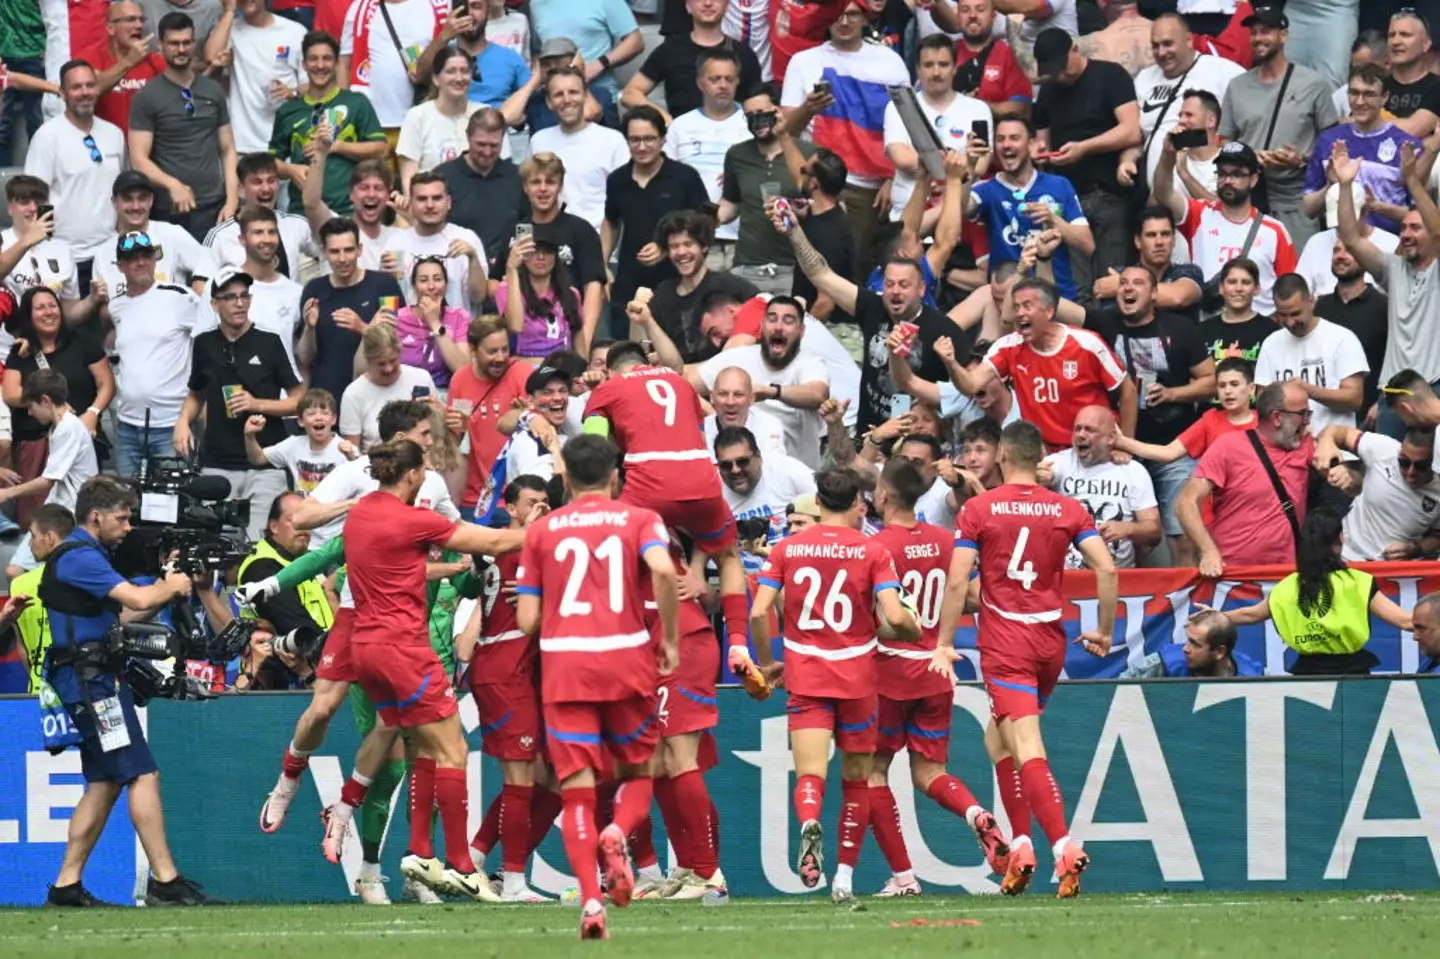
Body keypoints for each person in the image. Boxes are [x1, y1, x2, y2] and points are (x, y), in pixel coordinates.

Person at [931, 420, 1115, 898]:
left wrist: (945, 640)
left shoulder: (979, 509)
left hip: (1007, 644)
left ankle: (1062, 845)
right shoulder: (1067, 508)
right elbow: (1107, 567)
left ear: (1003, 456)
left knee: (1027, 747)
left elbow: (956, 582)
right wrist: (1104, 629)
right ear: (1039, 459)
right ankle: (1021, 845)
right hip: (1050, 643)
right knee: (1000, 743)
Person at [256, 400, 457, 835]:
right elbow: (305, 516)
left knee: (394, 723)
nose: (431, 442)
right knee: (324, 707)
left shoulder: (433, 481)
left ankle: (345, 810)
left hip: (407, 623)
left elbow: (457, 531)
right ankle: (287, 780)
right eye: (424, 435)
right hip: (356, 610)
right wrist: (361, 507)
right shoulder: (357, 473)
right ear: (401, 439)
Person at [514, 433, 680, 939]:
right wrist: (668, 638)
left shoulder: (542, 531)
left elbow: (526, 620)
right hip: (627, 658)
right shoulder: (639, 519)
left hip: (566, 669)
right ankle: (618, 832)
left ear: (565, 478)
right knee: (638, 770)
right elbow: (663, 569)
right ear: (615, 477)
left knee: (576, 792)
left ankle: (590, 902)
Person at [344, 437, 526, 899]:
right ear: (412, 475)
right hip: (404, 650)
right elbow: (497, 540)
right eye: (423, 469)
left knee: (424, 748)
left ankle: (421, 850)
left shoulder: (360, 512)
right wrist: (561, 527)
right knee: (454, 751)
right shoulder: (415, 520)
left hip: (364, 650)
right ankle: (462, 864)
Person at [38, 475, 210, 906]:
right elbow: (135, 599)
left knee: (103, 784)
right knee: (142, 772)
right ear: (96, 517)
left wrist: (167, 589)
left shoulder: (87, 556)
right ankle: (165, 881)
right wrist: (171, 585)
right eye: (122, 517)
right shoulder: (81, 557)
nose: (128, 526)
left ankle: (66, 886)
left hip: (90, 679)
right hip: (93, 685)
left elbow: (127, 616)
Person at [745, 467, 915, 902]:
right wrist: (914, 633)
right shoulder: (873, 550)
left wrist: (767, 662)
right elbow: (895, 617)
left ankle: (808, 824)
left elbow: (759, 612)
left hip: (807, 674)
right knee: (858, 781)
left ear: (818, 504)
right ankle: (842, 876)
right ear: (858, 507)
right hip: (858, 677)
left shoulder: (787, 549)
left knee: (810, 775)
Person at [865, 459, 1008, 897]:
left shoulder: (876, 546)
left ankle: (905, 878)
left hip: (888, 671)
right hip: (935, 668)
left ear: (884, 495)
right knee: (930, 772)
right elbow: (973, 597)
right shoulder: (946, 540)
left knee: (872, 774)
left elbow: (869, 614)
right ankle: (975, 813)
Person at [584, 339, 751, 663]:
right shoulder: (682, 385)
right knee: (729, 556)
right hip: (701, 480)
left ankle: (604, 640)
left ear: (609, 369)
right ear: (645, 361)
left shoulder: (608, 389)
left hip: (648, 484)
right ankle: (739, 646)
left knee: (606, 550)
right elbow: (696, 438)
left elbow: (591, 448)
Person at [454, 475, 554, 903]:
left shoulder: (519, 547)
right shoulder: (516, 545)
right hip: (505, 667)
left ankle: (475, 858)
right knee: (521, 778)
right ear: (511, 508)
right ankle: (511, 880)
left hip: (524, 669)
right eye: (532, 504)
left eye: (546, 503)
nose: (541, 511)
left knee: (553, 779)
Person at [780, 2, 909, 280]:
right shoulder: (803, 61)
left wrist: (892, 177)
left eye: (852, 14)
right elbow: (786, 131)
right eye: (837, 14)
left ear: (865, 18)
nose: (844, 21)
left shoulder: (890, 61)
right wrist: (808, 109)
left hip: (870, 188)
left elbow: (905, 126)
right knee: (814, 265)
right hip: (819, 182)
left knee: (856, 269)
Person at [176, 268, 303, 542]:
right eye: (231, 297)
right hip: (218, 463)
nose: (239, 303)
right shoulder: (204, 343)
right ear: (214, 304)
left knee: (257, 545)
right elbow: (196, 393)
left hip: (265, 462)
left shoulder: (269, 341)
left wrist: (257, 403)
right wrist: (183, 422)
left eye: (244, 296)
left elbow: (299, 402)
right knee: (217, 547)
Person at [945, 278, 1133, 452]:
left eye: (1027, 306)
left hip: (1094, 449)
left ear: (1049, 311)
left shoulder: (1086, 343)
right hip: (1047, 455)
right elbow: (971, 385)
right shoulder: (1008, 346)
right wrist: (951, 362)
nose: (1019, 313)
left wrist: (1125, 446)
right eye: (1016, 307)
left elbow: (1128, 391)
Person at [1217, 507, 1412, 675]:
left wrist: (1214, 616)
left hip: (1307, 675)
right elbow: (1405, 621)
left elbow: (1250, 615)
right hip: (1354, 674)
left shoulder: (1286, 587)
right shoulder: (1357, 582)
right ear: (1339, 539)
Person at [1335, 140, 1440, 438]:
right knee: (1389, 473)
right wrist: (1345, 186)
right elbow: (1351, 239)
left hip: (1434, 384)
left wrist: (1411, 181)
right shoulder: (1394, 268)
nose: (1405, 234)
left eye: (1414, 228)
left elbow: (1438, 231)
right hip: (1392, 389)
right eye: (1403, 228)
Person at [1031, 28, 1142, 304]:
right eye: (1052, 71)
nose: (1059, 75)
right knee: (1076, 290)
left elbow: (1131, 131)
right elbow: (1041, 142)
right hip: (1069, 199)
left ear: (1075, 50)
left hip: (1108, 192)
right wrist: (1042, 152)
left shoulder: (1110, 75)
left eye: (1062, 67)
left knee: (1111, 281)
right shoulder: (1048, 90)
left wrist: (1084, 148)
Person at [1218, 6, 1339, 249]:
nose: (1258, 38)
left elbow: (1333, 144)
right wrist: (1248, 157)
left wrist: (1301, 159)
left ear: (1283, 35)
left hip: (1296, 201)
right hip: (1249, 200)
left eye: (1266, 31)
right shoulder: (1237, 86)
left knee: (1298, 275)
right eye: (1254, 32)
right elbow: (1223, 142)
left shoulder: (1313, 84)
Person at [1177, 381, 1317, 575]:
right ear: (1277, 418)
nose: (1307, 421)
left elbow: (1340, 445)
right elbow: (1186, 502)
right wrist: (1208, 551)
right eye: (1302, 414)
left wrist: (1330, 440)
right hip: (1234, 577)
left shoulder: (1305, 446)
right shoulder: (1228, 447)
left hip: (1287, 578)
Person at [101, 231, 210, 479]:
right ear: (120, 266)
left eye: (146, 256)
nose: (141, 262)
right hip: (127, 425)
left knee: (171, 505)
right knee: (128, 504)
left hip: (171, 425)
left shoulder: (180, 297)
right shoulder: (116, 306)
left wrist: (201, 401)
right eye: (132, 258)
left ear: (155, 259)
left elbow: (210, 341)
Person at [129, 12, 240, 239]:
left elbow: (228, 149)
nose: (181, 49)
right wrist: (172, 185)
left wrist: (232, 199)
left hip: (214, 206)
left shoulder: (212, 90)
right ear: (160, 46)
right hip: (170, 210)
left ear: (194, 43)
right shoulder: (147, 96)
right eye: (173, 43)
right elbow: (138, 159)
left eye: (186, 42)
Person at [2, 288, 112, 517]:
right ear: (28, 315)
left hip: (78, 430)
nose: (48, 312)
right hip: (33, 441)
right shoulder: (22, 350)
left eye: (52, 305)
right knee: (33, 517)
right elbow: (10, 393)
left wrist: (91, 413)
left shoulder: (81, 341)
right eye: (40, 307)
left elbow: (108, 384)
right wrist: (49, 402)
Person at [1155, 139, 1297, 315]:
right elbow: (1163, 193)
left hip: (1259, 331)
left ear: (1253, 179)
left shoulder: (1275, 231)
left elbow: (1288, 288)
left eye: (1237, 174)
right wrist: (1167, 155)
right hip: (1209, 329)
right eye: (1222, 174)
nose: (1228, 180)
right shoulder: (1199, 214)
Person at [603, 105, 712, 326]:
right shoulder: (617, 180)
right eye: (634, 140)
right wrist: (602, 264)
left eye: (649, 139)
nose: (642, 146)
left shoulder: (685, 177)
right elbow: (611, 222)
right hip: (628, 283)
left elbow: (706, 224)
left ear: (663, 139)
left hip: (678, 283)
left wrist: (666, 247)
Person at [968, 116, 1094, 303]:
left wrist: (1053, 220)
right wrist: (969, 170)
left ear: (1031, 143)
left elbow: (1087, 245)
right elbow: (960, 210)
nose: (1006, 145)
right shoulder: (986, 190)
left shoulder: (1059, 185)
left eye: (1014, 138)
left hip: (1060, 298)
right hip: (1010, 302)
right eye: (1000, 139)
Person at [692, 296, 830, 467]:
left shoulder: (809, 362)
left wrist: (772, 392)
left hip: (796, 478)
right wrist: (711, 410)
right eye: (772, 319)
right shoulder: (738, 356)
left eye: (788, 321)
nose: (778, 327)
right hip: (738, 473)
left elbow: (818, 394)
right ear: (762, 326)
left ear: (801, 331)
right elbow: (684, 386)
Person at [24, 59, 127, 285]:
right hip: (65, 256)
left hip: (110, 253)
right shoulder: (46, 137)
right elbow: (33, 200)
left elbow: (122, 195)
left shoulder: (115, 134)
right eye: (76, 87)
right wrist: (45, 249)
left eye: (90, 85)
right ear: (62, 93)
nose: (85, 92)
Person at [270, 29, 388, 217]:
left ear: (336, 64)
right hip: (302, 215)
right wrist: (290, 169)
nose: (320, 65)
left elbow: (381, 149)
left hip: (349, 213)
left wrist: (336, 146)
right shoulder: (288, 111)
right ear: (304, 65)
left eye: (326, 59)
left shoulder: (356, 102)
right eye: (313, 59)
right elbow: (270, 163)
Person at [297, 217, 405, 401]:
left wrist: (363, 328)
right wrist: (309, 328)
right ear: (324, 253)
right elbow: (305, 358)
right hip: (328, 397)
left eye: (348, 250)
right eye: (334, 251)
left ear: (359, 250)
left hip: (377, 394)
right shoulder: (314, 289)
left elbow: (401, 342)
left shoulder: (384, 284)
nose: (342, 259)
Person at [663, 47, 752, 268]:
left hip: (745, 239)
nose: (723, 85)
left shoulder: (752, 123)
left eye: (729, 79)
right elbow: (667, 179)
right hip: (695, 242)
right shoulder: (680, 126)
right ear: (700, 83)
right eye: (715, 79)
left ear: (737, 81)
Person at [1042, 404, 1161, 569]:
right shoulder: (1059, 462)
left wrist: (1127, 529)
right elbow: (1028, 478)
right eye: (1077, 429)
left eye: (1090, 430)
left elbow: (1154, 532)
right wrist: (1037, 476)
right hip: (1067, 579)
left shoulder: (1134, 471)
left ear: (1111, 438)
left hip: (1119, 578)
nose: (1081, 435)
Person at [1133, 13, 1243, 190]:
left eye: (1168, 44)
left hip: (1206, 193)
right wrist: (1127, 160)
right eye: (1155, 46)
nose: (1161, 52)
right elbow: (1137, 136)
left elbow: (1251, 116)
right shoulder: (1144, 78)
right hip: (1158, 196)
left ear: (1189, 40)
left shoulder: (1223, 72)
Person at [1254, 273, 1369, 435]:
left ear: (1312, 302)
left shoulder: (1342, 338)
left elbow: (1354, 399)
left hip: (1334, 446)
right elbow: (1262, 400)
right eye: (1282, 315)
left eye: (1295, 313)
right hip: (1285, 448)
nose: (1289, 322)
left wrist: (1308, 390)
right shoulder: (1271, 344)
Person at [445, 316, 533, 519]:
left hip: (517, 498)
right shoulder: (460, 380)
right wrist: (454, 428)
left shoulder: (521, 372)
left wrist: (526, 413)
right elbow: (455, 443)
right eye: (492, 351)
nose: (501, 357)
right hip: (476, 499)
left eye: (505, 349)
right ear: (473, 350)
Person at [646, 209, 760, 363]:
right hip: (680, 379)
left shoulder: (730, 285)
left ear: (704, 246)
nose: (681, 252)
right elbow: (645, 346)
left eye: (688, 244)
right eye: (674, 246)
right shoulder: (663, 294)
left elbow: (766, 307)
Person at [1314, 424, 1440, 563]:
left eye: (1421, 466)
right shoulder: (1384, 450)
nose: (1410, 472)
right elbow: (1340, 432)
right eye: (1403, 462)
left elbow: (1437, 537)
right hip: (1348, 556)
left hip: (1391, 571)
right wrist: (1326, 443)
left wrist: (1415, 548)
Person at [623, 0, 762, 123]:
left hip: (731, 139)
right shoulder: (670, 49)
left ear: (727, 5)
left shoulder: (744, 53)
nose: (707, 3)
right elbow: (631, 93)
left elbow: (758, 102)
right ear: (688, 6)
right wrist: (664, 118)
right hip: (681, 140)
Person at [530, 67, 630, 232]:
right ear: (549, 102)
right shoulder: (539, 141)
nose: (567, 99)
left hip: (599, 242)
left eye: (573, 92)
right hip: (551, 243)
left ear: (585, 95)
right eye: (558, 94)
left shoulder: (613, 141)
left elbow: (624, 200)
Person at [203, 0, 307, 155]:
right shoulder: (229, 29)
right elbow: (211, 57)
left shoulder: (295, 31)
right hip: (242, 143)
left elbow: (311, 85)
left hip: (284, 141)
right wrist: (230, 10)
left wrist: (292, 92)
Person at [435, 109, 528, 281]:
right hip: (456, 274)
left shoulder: (517, 177)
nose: (487, 152)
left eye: (494, 145)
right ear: (468, 137)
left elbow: (526, 227)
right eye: (481, 144)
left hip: (506, 277)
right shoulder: (443, 177)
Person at [96, 170, 217, 298]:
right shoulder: (103, 253)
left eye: (142, 198)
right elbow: (104, 311)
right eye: (128, 199)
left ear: (151, 200)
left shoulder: (171, 234)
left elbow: (207, 261)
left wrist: (197, 293)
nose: (136, 206)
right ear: (115, 202)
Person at [379, 172, 487, 315]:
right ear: (411, 203)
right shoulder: (396, 243)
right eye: (422, 199)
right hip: (409, 334)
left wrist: (472, 258)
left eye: (437, 198)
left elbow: (478, 297)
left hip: (459, 334)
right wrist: (387, 278)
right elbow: (388, 301)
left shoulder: (467, 238)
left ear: (448, 202)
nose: (430, 205)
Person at [1117, 356, 1258, 464]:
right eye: (1222, 386)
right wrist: (1121, 441)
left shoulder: (1265, 423)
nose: (1227, 391)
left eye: (1234, 384)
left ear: (1251, 389)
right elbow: (1169, 453)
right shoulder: (1210, 420)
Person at [205, 154, 322, 282]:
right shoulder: (221, 235)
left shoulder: (296, 225)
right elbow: (200, 285)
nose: (266, 189)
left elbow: (331, 249)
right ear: (241, 189)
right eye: (257, 182)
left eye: (271, 181)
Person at [236, 491, 336, 641]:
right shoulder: (262, 567)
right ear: (274, 526)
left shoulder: (302, 561)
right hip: (287, 660)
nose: (303, 527)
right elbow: (296, 626)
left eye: (307, 521)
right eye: (295, 520)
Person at [337, 0, 449, 133]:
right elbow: (344, 64)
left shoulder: (439, 6)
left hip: (421, 122)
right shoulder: (360, 8)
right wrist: (344, 112)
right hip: (371, 124)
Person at [712, 425, 816, 559]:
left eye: (742, 462)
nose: (735, 470)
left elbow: (832, 510)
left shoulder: (788, 470)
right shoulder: (711, 490)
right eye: (726, 465)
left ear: (758, 456)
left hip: (794, 566)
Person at [396, 48, 485, 196]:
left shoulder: (483, 114)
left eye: (465, 71)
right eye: (451, 71)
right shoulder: (417, 116)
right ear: (436, 79)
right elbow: (409, 179)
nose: (459, 78)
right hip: (431, 206)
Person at [1090, 206, 1203, 322]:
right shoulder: (1119, 273)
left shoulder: (1190, 272)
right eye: (1151, 235)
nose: (1159, 242)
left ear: (1173, 240)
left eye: (1165, 234)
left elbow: (1178, 297)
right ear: (1138, 241)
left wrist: (1122, 287)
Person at [1314, 240, 1389, 413]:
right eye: (1336, 250)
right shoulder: (1319, 306)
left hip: (1368, 414)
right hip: (1323, 413)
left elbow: (1396, 361)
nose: (1340, 256)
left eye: (1349, 251)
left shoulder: (1384, 307)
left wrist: (1383, 403)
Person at [413, 0, 530, 111]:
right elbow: (421, 77)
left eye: (476, 7)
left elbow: (530, 97)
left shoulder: (509, 57)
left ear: (488, 13)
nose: (469, 14)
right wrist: (444, 35)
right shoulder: (443, 54)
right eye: (463, 8)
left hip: (496, 126)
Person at [340, 323, 438, 450]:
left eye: (393, 361)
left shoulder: (421, 378)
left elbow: (437, 433)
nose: (388, 368)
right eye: (381, 364)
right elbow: (352, 450)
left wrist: (439, 409)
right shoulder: (353, 394)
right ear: (368, 360)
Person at [927, 0, 1033, 117]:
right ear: (958, 17)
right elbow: (924, 102)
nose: (972, 15)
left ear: (993, 16)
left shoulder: (1009, 54)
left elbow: (1020, 108)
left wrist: (977, 105)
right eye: (965, 10)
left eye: (980, 9)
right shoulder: (945, 54)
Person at [527, 0, 643, 102]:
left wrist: (599, 65)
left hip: (598, 93)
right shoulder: (536, 4)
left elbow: (636, 41)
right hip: (555, 97)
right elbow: (538, 52)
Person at [244, 387, 356, 493]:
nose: (318, 418)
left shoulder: (346, 449)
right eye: (311, 414)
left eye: (324, 413)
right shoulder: (293, 444)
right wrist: (249, 436)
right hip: (302, 510)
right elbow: (258, 459)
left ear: (333, 419)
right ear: (301, 421)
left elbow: (364, 478)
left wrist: (351, 457)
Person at [81, 1, 168, 137]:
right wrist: (128, 62)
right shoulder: (91, 57)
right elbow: (90, 91)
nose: (139, 25)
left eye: (141, 19)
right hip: (104, 145)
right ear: (110, 28)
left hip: (147, 146)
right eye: (130, 20)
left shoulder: (154, 61)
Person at [394, 256, 472, 388]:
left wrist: (435, 323)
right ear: (414, 286)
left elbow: (462, 369)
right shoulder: (398, 318)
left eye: (437, 279)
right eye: (423, 280)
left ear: (446, 285)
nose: (431, 286)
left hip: (444, 394)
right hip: (404, 394)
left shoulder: (459, 316)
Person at [1121, 607, 1262, 678]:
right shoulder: (1161, 665)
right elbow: (1116, 692)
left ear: (1220, 652)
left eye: (1196, 644)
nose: (1185, 649)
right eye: (1188, 640)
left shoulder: (1255, 676)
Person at [1196, 257, 1273, 362]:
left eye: (1246, 282)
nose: (1239, 288)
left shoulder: (1271, 332)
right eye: (1232, 282)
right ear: (1221, 288)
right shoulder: (1202, 332)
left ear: (1257, 289)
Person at [703, 366, 787, 458]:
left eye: (738, 395)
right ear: (712, 397)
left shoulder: (768, 426)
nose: (730, 402)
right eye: (723, 394)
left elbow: (771, 469)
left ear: (751, 399)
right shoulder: (699, 430)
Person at [1382, 9, 1440, 138]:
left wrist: (1367, 123)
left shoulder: (1436, 87)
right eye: (1391, 35)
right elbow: (1348, 127)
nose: (1396, 42)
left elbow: (1412, 130)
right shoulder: (1377, 84)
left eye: (1405, 35)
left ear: (1425, 44)